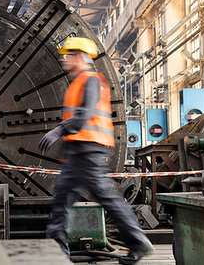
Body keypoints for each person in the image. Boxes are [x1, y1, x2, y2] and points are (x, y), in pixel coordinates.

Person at [38, 37, 153, 264]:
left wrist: (58, 131)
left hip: (88, 152)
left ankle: (138, 241)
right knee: (64, 202)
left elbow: (84, 115)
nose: (64, 59)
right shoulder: (80, 82)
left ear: (80, 58)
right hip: (79, 151)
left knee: (102, 198)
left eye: (68, 55)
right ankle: (57, 255)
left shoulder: (90, 81)